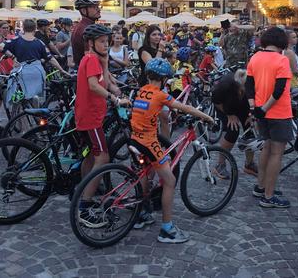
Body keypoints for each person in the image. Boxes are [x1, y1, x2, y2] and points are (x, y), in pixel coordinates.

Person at [130, 57, 213, 243]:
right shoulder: (161, 95)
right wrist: (206, 117)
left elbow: (155, 111)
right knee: (170, 180)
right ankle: (167, 229)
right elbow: (184, 107)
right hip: (149, 143)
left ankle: (142, 213)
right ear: (165, 79)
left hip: (134, 140)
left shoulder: (142, 91)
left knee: (145, 173)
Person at [75, 24, 128, 226]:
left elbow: (105, 83)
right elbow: (94, 86)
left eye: (107, 42)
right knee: (103, 157)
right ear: (91, 43)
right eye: (102, 42)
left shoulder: (95, 60)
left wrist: (106, 64)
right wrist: (114, 99)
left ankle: (83, 189)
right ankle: (84, 208)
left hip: (91, 115)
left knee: (91, 155)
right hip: (90, 117)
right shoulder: (90, 60)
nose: (106, 45)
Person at [247, 27, 294, 208]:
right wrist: (266, 108)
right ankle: (268, 195)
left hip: (260, 110)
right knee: (276, 153)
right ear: (282, 42)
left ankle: (261, 186)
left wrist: (255, 107)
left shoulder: (255, 57)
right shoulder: (282, 60)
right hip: (278, 112)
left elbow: (249, 85)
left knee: (266, 148)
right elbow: (280, 89)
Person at [212, 69, 258, 177]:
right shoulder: (226, 84)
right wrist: (229, 115)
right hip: (225, 106)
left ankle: (249, 164)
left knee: (250, 132)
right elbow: (216, 100)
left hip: (244, 107)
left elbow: (256, 100)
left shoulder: (253, 83)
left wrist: (252, 115)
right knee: (233, 131)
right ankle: (220, 165)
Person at [2, 20, 68, 75]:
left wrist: (12, 57)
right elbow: (50, 58)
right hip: (36, 72)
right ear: (34, 29)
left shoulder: (15, 40)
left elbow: (0, 46)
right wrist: (61, 70)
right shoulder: (39, 42)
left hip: (20, 70)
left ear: (23, 28)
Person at [71, 0, 102, 67]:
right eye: (94, 7)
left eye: (98, 6)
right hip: (89, 73)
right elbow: (90, 57)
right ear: (84, 10)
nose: (98, 9)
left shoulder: (80, 26)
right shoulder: (88, 29)